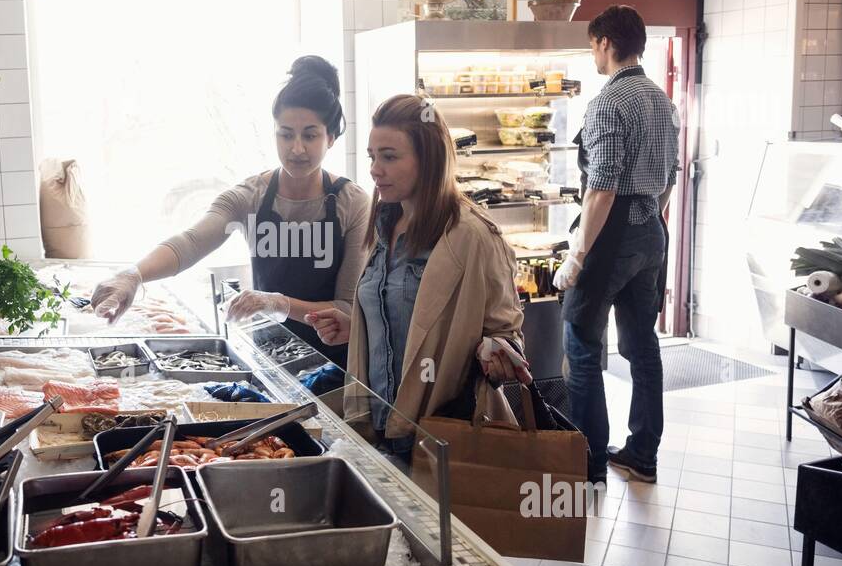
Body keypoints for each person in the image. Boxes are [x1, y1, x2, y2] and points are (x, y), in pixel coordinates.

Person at [90, 56, 371, 365]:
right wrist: (133, 275)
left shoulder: (353, 203)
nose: (297, 148)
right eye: (286, 134)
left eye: (310, 135)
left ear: (330, 137)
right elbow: (192, 241)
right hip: (269, 360)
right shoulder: (250, 196)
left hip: (335, 365)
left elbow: (346, 309)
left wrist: (276, 302)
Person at [307, 94, 532, 452]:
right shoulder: (382, 224)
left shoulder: (472, 236)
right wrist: (360, 327)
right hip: (377, 426)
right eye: (372, 156)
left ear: (429, 159)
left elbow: (506, 332)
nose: (375, 169)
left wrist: (498, 351)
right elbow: (407, 318)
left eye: (390, 157)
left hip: (439, 436)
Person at [553, 5, 680, 484]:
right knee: (642, 345)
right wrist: (651, 221)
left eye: (592, 46)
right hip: (652, 228)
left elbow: (601, 186)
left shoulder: (609, 102)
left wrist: (577, 255)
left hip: (613, 233)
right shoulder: (662, 100)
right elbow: (669, 177)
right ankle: (642, 454)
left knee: (582, 344)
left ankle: (588, 464)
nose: (593, 55)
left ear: (605, 43)